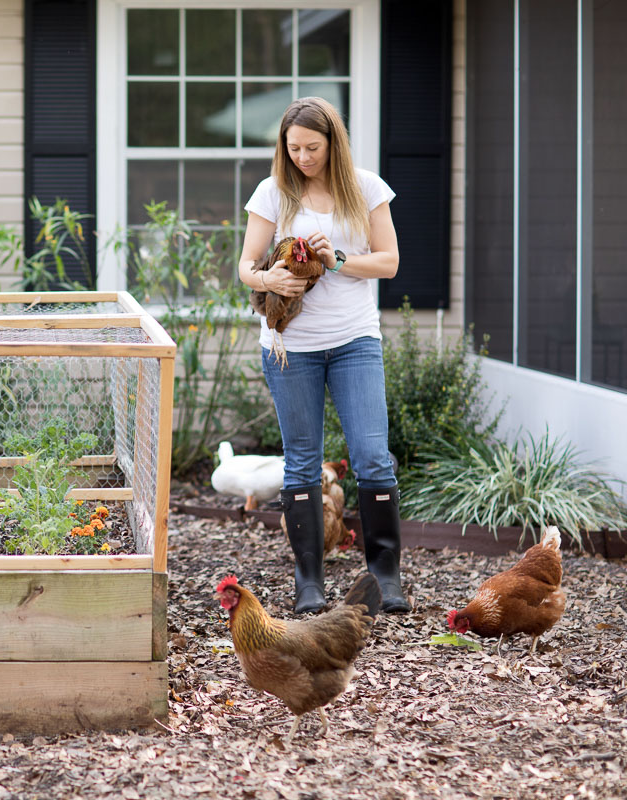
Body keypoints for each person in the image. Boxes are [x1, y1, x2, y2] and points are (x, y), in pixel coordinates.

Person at [237, 96, 409, 614]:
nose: (303, 157)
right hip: (292, 350)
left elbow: (390, 262)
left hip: (355, 341)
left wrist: (337, 260)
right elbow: (246, 265)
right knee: (303, 464)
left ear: (334, 142)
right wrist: (268, 276)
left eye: (312, 147)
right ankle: (309, 580)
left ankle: (384, 577)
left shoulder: (366, 188)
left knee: (373, 457)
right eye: (293, 149)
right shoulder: (272, 193)